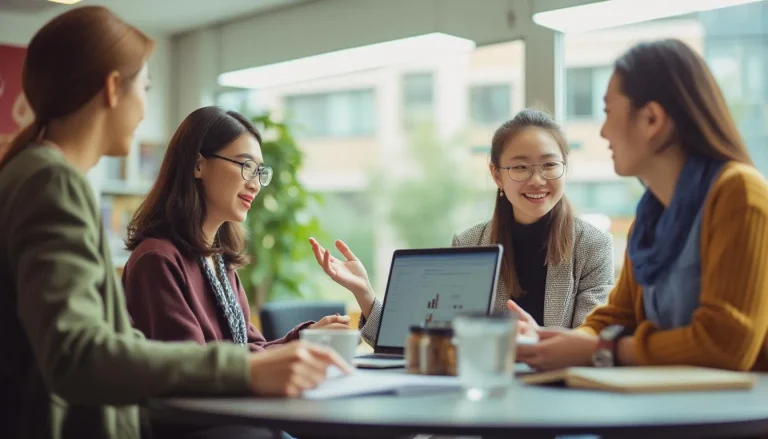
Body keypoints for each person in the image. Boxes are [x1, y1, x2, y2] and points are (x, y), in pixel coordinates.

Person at [0, 7, 349, 439]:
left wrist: (291, 348)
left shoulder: (39, 174)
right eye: (144, 87)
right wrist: (245, 369)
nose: (146, 109)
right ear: (112, 88)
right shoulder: (51, 180)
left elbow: (116, 347)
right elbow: (78, 355)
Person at [516, 39, 768, 372]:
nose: (603, 131)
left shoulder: (740, 194)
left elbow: (723, 345)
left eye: (607, 112)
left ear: (651, 119)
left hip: (733, 420)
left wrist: (601, 350)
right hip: (673, 410)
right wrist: (551, 344)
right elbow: (617, 317)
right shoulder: (651, 216)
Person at [310, 109, 614, 346]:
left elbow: (590, 342)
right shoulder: (471, 242)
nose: (537, 179)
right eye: (520, 167)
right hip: (482, 402)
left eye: (549, 165)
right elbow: (423, 342)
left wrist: (539, 341)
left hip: (557, 403)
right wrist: (364, 293)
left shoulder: (592, 246)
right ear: (497, 175)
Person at [122, 106, 351, 350]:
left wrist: (307, 338)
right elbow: (196, 369)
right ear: (198, 165)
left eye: (259, 172)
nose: (255, 185)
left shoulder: (219, 262)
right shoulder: (158, 259)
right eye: (246, 166)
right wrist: (298, 345)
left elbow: (250, 351)